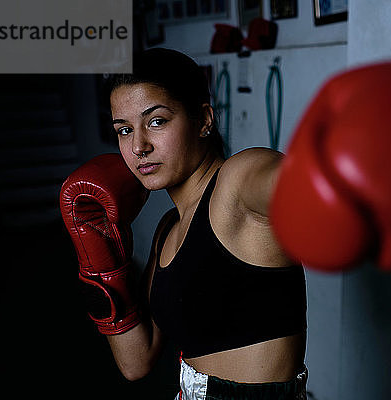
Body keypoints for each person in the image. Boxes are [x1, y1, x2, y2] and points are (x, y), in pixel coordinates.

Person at [69, 48, 307, 400]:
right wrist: (101, 264)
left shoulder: (237, 183)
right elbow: (136, 362)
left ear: (204, 120)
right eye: (123, 129)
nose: (139, 146)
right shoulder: (168, 228)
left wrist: (323, 179)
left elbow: (293, 187)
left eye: (156, 121)